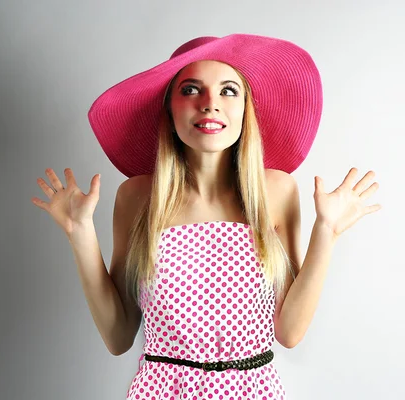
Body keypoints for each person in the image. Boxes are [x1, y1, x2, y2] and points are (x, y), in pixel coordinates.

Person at [31, 33, 381, 399]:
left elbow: (289, 333)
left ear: (246, 109)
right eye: (191, 90)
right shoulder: (137, 196)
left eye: (228, 91)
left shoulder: (276, 192)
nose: (210, 104)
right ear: (169, 109)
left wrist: (327, 231)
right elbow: (119, 336)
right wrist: (80, 232)